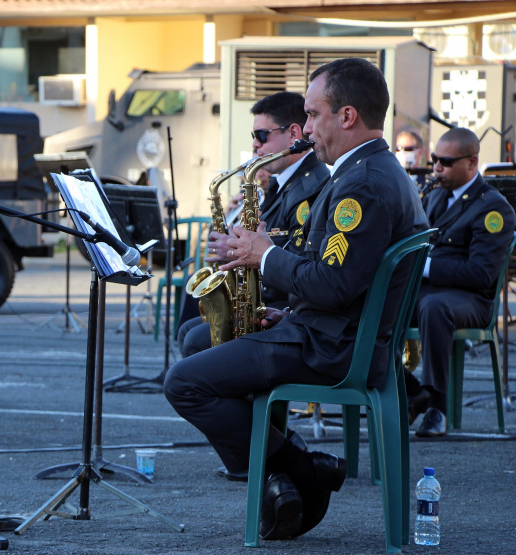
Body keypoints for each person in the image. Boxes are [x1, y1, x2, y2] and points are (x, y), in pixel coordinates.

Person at [164, 58, 429, 541]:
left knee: (184, 382)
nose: (305, 129)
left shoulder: (361, 185)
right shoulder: (373, 172)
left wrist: (264, 255)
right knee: (202, 347)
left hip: (332, 349)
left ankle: (299, 470)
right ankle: (284, 473)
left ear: (345, 116)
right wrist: (285, 310)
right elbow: (349, 282)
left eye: (311, 115)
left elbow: (332, 283)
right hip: (333, 333)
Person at [178, 91, 330, 358]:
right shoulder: (284, 182)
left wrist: (240, 251)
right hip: (269, 299)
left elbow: (302, 258)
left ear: (293, 133)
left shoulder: (309, 186)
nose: (256, 146)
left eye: (261, 136)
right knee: (188, 331)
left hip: (282, 307)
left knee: (194, 340)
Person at [405, 127, 516, 438]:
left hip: (470, 301)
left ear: (472, 163)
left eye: (445, 162)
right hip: (430, 296)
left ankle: (436, 408)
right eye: (435, 160)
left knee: (434, 306)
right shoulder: (435, 195)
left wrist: (425, 267)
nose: (436, 167)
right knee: (373, 304)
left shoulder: (493, 207)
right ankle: (412, 391)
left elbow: (482, 274)